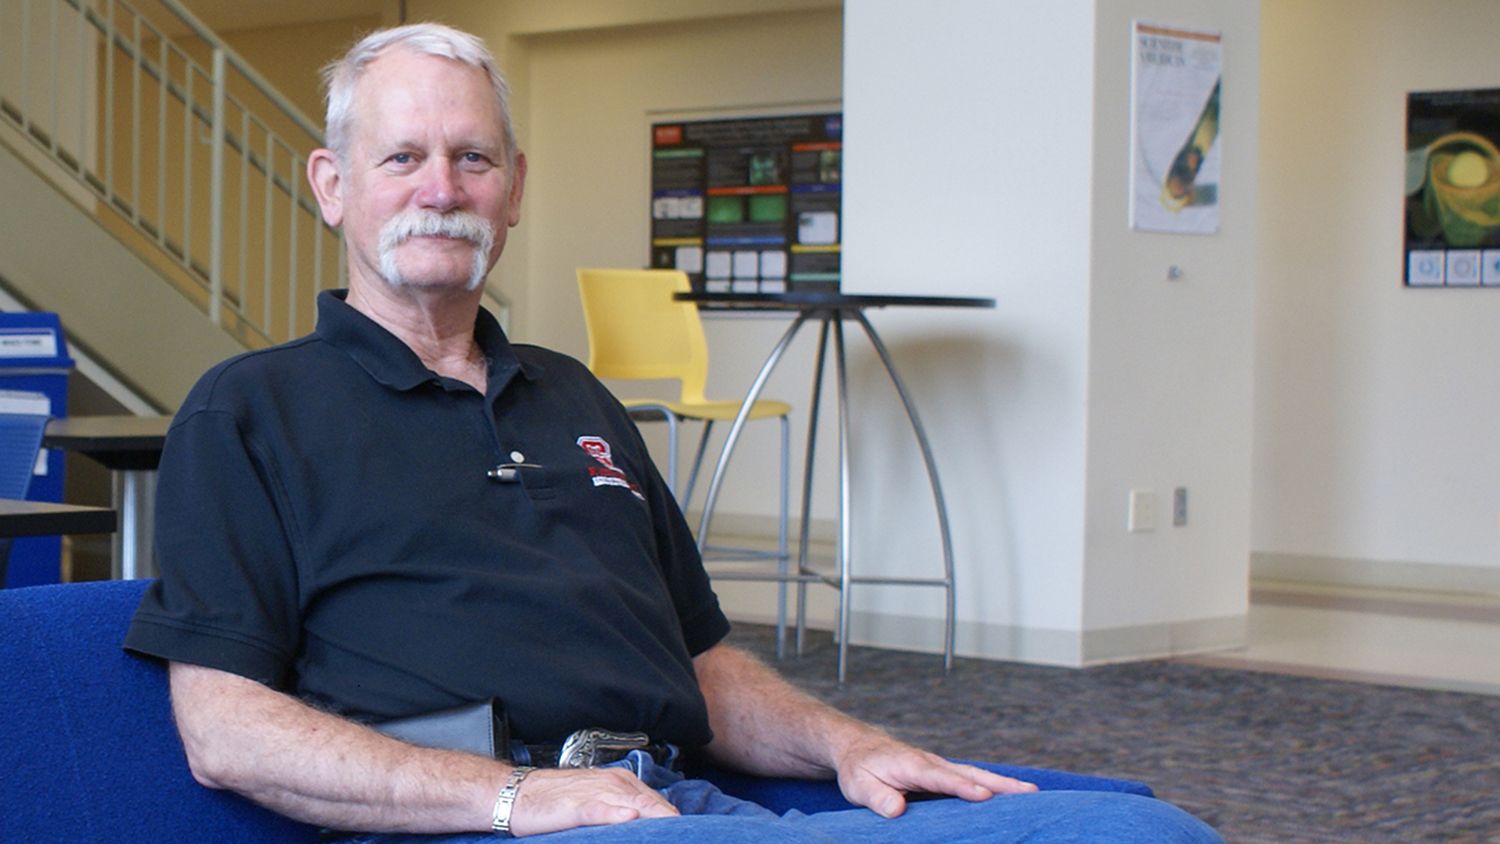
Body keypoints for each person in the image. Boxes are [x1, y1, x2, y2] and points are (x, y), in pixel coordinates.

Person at [123, 23, 1221, 843]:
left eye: (473, 158)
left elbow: (701, 667)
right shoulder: (249, 410)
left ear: (513, 194)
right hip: (487, 824)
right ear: (332, 187)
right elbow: (226, 730)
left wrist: (847, 742)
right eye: (400, 157)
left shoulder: (576, 401)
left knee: (1141, 831)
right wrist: (512, 795)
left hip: (680, 806)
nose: (440, 189)